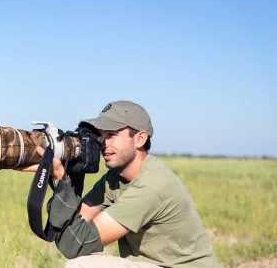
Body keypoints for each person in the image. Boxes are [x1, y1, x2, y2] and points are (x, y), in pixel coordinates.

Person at [17, 100, 221, 268]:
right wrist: (66, 173)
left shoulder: (151, 186)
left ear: (140, 139)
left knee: (81, 266)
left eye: (112, 134)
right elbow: (72, 226)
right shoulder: (115, 179)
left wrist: (62, 178)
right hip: (153, 265)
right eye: (101, 136)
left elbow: (77, 244)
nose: (103, 143)